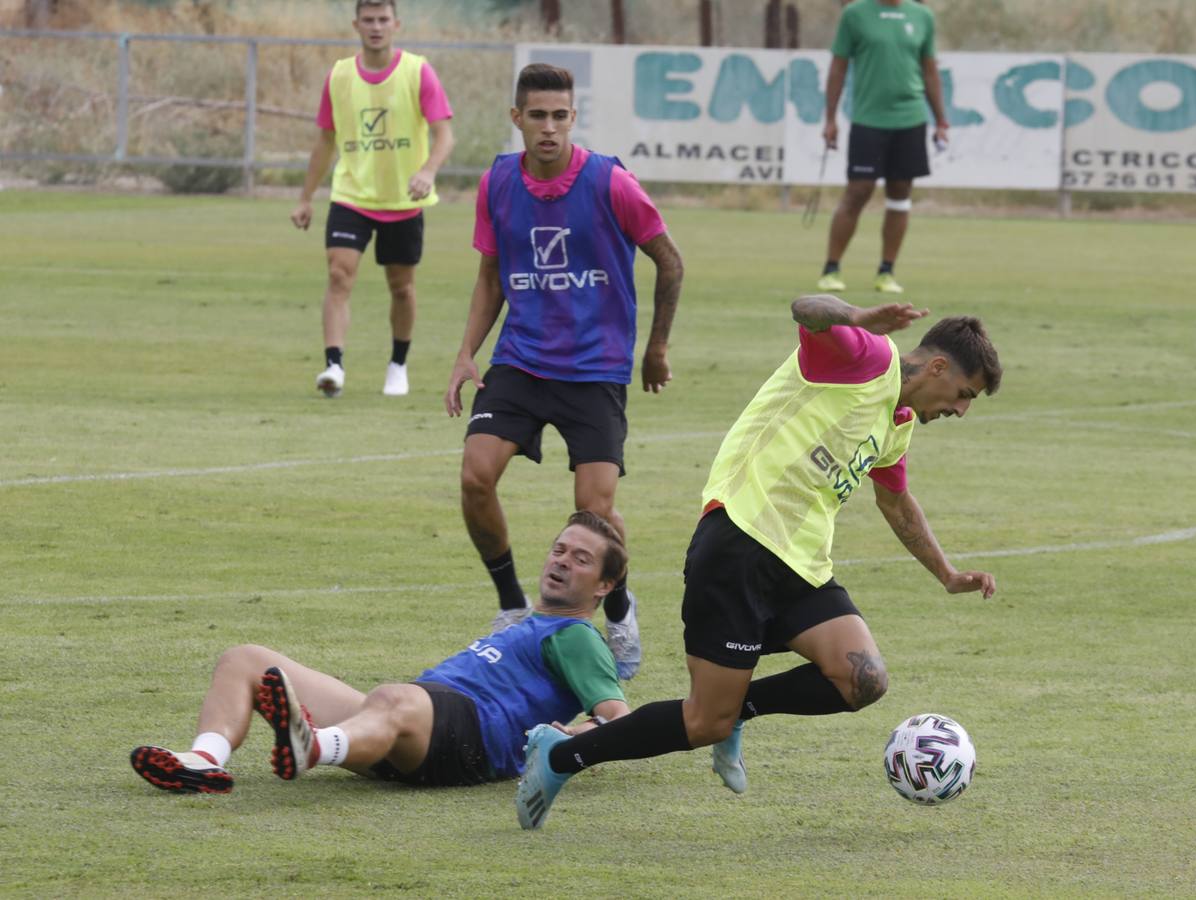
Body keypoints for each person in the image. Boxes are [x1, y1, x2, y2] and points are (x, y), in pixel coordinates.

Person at [513, 295, 1002, 829]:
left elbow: (895, 500)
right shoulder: (866, 357)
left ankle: (739, 707)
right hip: (739, 544)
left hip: (802, 566)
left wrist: (947, 573)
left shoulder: (898, 421)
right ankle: (559, 757)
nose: (960, 410)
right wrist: (855, 319)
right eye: (963, 394)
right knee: (704, 721)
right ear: (937, 367)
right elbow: (805, 307)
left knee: (863, 680)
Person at [444, 63, 684, 681]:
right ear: (516, 118)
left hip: (595, 368)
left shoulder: (610, 182)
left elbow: (670, 262)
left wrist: (655, 348)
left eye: (559, 116)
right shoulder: (498, 181)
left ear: (572, 119)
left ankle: (621, 609)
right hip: (521, 360)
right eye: (537, 116)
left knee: (593, 515)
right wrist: (468, 351)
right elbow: (492, 276)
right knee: (475, 477)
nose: (548, 128)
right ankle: (509, 606)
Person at [130, 512, 630, 794]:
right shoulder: (535, 622)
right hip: (406, 724)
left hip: (468, 738)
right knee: (245, 660)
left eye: (581, 559)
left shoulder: (578, 637)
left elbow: (619, 718)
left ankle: (314, 747)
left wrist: (568, 739)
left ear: (604, 585)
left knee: (396, 698)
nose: (562, 561)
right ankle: (204, 760)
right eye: (560, 549)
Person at [291, 0, 456, 398]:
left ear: (396, 24)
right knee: (338, 274)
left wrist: (427, 171)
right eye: (369, 20)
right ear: (356, 25)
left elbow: (445, 135)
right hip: (351, 196)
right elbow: (325, 141)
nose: (376, 26)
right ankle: (334, 366)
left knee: (401, 287)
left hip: (403, 201)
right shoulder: (340, 76)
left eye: (383, 19)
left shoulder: (417, 71)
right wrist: (305, 197)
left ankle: (398, 364)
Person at [817, 0, 948, 295]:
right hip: (868, 120)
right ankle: (831, 268)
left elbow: (929, 71)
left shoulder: (922, 16)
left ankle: (886, 271)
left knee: (900, 195)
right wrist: (830, 119)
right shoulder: (855, 14)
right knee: (858, 192)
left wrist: (941, 119)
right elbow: (838, 68)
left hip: (911, 118)